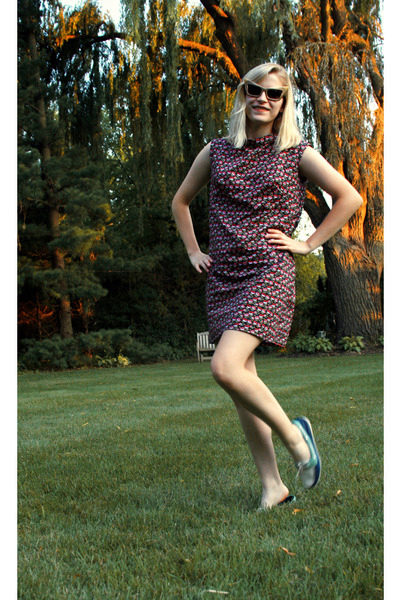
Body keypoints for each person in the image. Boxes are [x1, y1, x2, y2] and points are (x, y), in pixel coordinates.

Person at [171, 62, 362, 509]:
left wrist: (308, 243)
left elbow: (350, 197)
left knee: (224, 368)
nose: (263, 98)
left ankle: (296, 439)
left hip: (268, 272)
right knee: (242, 385)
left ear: (283, 104)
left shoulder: (296, 152)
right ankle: (273, 487)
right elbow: (180, 201)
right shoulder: (216, 151)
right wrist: (194, 251)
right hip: (224, 276)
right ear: (243, 94)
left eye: (274, 94)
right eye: (255, 89)